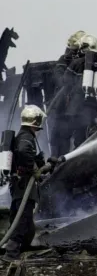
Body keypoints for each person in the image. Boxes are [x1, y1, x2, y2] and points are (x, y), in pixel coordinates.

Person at [5, 105, 47, 259]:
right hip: (23, 184)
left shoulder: (23, 135)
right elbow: (23, 151)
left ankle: (24, 247)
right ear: (36, 121)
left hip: (19, 183)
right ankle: (11, 251)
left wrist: (38, 163)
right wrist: (33, 168)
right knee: (22, 218)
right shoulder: (26, 137)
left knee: (25, 218)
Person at [51, 33, 97, 157]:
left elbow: (63, 80)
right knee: (82, 139)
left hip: (72, 109)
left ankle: (60, 164)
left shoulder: (76, 62)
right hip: (91, 109)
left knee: (62, 138)